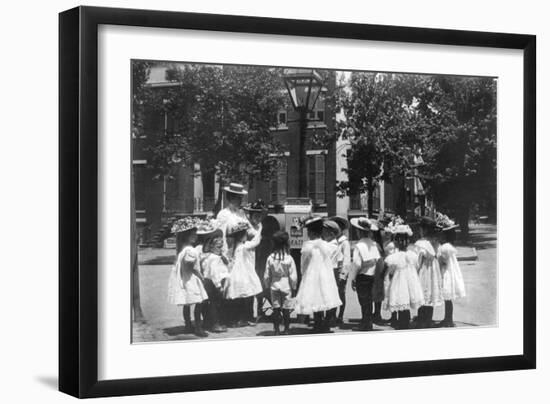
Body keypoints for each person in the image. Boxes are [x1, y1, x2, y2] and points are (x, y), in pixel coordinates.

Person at [294, 216, 342, 333]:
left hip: (311, 275)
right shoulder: (327, 245)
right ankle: (326, 323)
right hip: (325, 274)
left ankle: (318, 322)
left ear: (310, 232)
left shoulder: (307, 246)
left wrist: (303, 274)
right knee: (325, 296)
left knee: (314, 297)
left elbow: (304, 263)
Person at [167, 216, 209, 337]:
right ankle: (198, 327)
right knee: (199, 301)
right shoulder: (191, 250)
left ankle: (188, 325)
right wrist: (201, 276)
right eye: (193, 235)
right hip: (191, 279)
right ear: (187, 236)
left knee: (187, 302)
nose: (196, 236)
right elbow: (191, 267)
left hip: (185, 278)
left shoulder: (182, 250)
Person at [383, 223, 425, 330]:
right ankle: (404, 324)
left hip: (402, 281)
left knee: (403, 300)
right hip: (406, 280)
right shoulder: (409, 255)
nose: (402, 242)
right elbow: (416, 266)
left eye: (403, 240)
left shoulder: (399, 256)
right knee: (403, 301)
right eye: (401, 240)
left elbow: (387, 269)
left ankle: (403, 324)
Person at [224, 220, 263, 327]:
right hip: (243, 274)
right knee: (246, 295)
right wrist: (259, 229)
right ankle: (243, 318)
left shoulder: (235, 247)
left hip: (237, 274)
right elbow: (256, 241)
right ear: (241, 235)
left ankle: (237, 319)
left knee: (239, 296)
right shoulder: (244, 246)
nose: (247, 235)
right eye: (245, 234)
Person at [349, 217, 381, 331]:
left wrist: (353, 277)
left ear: (359, 231)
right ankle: (368, 322)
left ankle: (365, 323)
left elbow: (357, 264)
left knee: (363, 301)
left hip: (362, 276)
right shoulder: (373, 244)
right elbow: (377, 259)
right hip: (372, 275)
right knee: (369, 300)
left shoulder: (359, 245)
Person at [264, 231, 298, 335]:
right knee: (286, 309)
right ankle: (287, 329)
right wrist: (294, 285)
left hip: (274, 285)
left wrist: (266, 284)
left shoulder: (270, 257)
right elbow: (293, 275)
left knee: (276, 308)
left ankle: (277, 329)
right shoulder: (289, 258)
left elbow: (266, 274)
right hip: (286, 285)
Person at [413, 217, 444, 328]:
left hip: (424, 272)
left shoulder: (420, 244)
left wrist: (414, 273)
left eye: (420, 228)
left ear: (424, 229)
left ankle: (421, 320)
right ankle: (428, 320)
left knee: (422, 293)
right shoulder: (435, 243)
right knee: (430, 294)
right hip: (433, 273)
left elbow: (417, 261)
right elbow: (440, 256)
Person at [198, 220, 228, 333]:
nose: (220, 249)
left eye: (221, 246)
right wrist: (219, 285)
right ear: (211, 246)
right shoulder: (214, 258)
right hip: (213, 283)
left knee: (208, 303)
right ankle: (215, 324)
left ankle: (207, 323)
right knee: (215, 304)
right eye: (218, 246)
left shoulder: (208, 256)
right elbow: (214, 273)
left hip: (207, 282)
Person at [437, 223, 466, 327]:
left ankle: (448, 319)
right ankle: (448, 318)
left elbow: (443, 262)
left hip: (447, 272)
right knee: (448, 299)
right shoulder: (448, 246)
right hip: (450, 271)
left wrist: (438, 260)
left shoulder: (444, 247)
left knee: (447, 297)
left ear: (445, 236)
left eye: (441, 235)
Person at [243, 199, 267, 323]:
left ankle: (260, 311)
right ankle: (247, 314)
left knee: (258, 283)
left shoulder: (260, 226)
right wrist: (250, 244)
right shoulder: (245, 225)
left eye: (260, 215)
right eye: (255, 215)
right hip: (247, 255)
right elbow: (243, 242)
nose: (258, 218)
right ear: (250, 215)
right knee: (248, 284)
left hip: (259, 256)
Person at [330, 216, 351, 326]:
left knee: (341, 293)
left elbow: (347, 260)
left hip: (340, 270)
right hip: (331, 270)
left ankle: (340, 315)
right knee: (332, 293)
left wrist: (343, 274)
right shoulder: (331, 240)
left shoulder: (344, 242)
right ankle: (332, 315)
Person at [216, 182, 248, 253]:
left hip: (242, 247)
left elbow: (247, 227)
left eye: (241, 198)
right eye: (238, 198)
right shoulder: (223, 214)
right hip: (230, 248)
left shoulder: (241, 213)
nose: (241, 200)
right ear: (231, 197)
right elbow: (221, 234)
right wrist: (225, 252)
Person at [322, 219, 342, 327]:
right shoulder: (335, 245)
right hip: (334, 271)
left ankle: (329, 319)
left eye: (324, 232)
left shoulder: (330, 246)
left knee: (328, 295)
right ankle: (330, 318)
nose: (322, 234)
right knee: (331, 294)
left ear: (331, 233)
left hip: (329, 271)